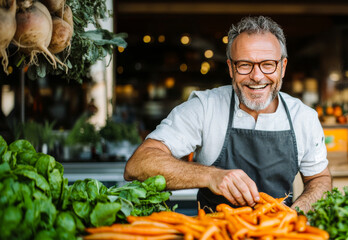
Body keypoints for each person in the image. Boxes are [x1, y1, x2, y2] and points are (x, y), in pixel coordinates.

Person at [124, 16, 332, 213]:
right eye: (244, 65)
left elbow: (319, 179)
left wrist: (295, 215)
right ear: (231, 68)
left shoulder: (303, 117)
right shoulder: (205, 108)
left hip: (278, 232)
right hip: (214, 231)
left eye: (268, 64)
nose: (257, 76)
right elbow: (138, 164)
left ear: (283, 67)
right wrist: (209, 175)